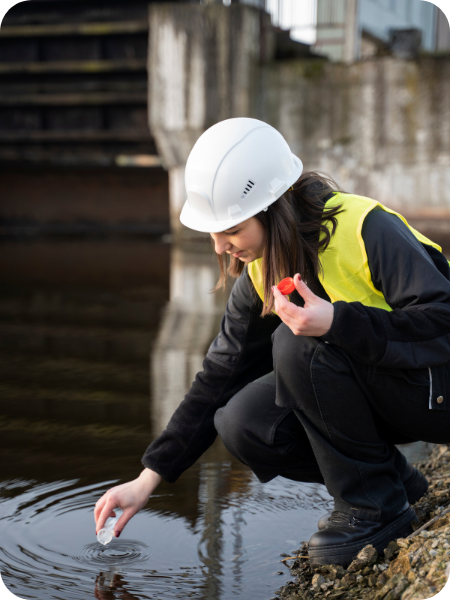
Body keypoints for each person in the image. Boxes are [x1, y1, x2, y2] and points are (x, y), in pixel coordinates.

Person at [95, 118, 450, 567]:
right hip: (391, 394)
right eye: (214, 231)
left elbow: (443, 323)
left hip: (438, 393)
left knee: (297, 344)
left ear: (273, 207)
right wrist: (149, 478)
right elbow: (218, 377)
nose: (221, 246)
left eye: (233, 230)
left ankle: (373, 511)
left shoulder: (366, 229)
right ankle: (393, 487)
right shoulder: (261, 271)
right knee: (243, 422)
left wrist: (338, 322)